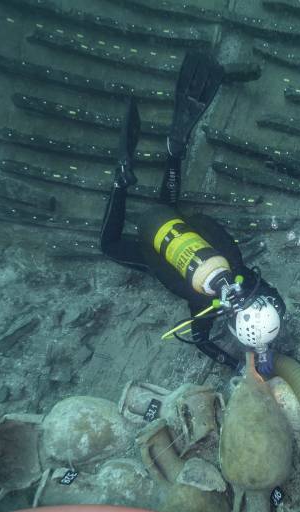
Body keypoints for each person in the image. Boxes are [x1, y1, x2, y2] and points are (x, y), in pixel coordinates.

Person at [99, 52, 286, 376]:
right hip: (154, 244)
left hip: (193, 227)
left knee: (171, 213)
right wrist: (236, 365)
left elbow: (273, 297)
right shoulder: (203, 306)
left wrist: (274, 316)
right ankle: (121, 181)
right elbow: (201, 341)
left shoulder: (245, 274)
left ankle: (174, 152)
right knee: (110, 246)